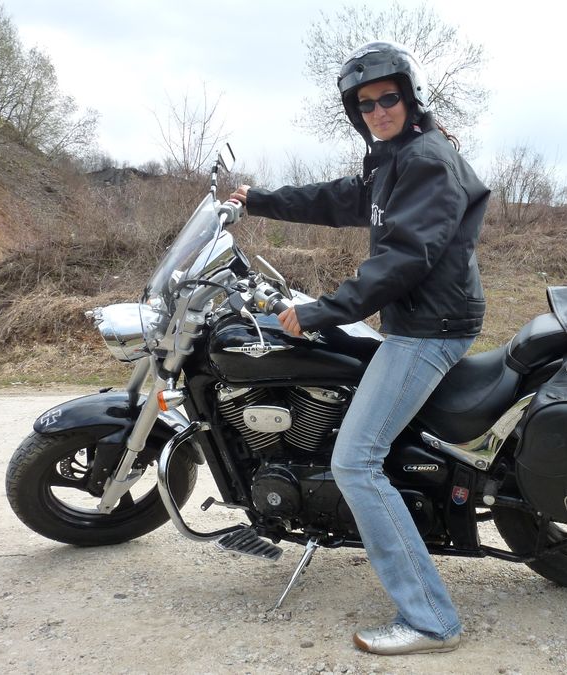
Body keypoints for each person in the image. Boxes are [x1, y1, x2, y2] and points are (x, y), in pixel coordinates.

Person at [230, 41, 489, 656]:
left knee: (355, 461)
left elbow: (405, 258)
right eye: (365, 104)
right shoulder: (391, 161)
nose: (377, 111)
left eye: (387, 98)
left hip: (430, 327)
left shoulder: (426, 161)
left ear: (410, 96)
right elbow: (336, 198)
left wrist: (321, 310)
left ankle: (431, 620)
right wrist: (257, 200)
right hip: (421, 317)